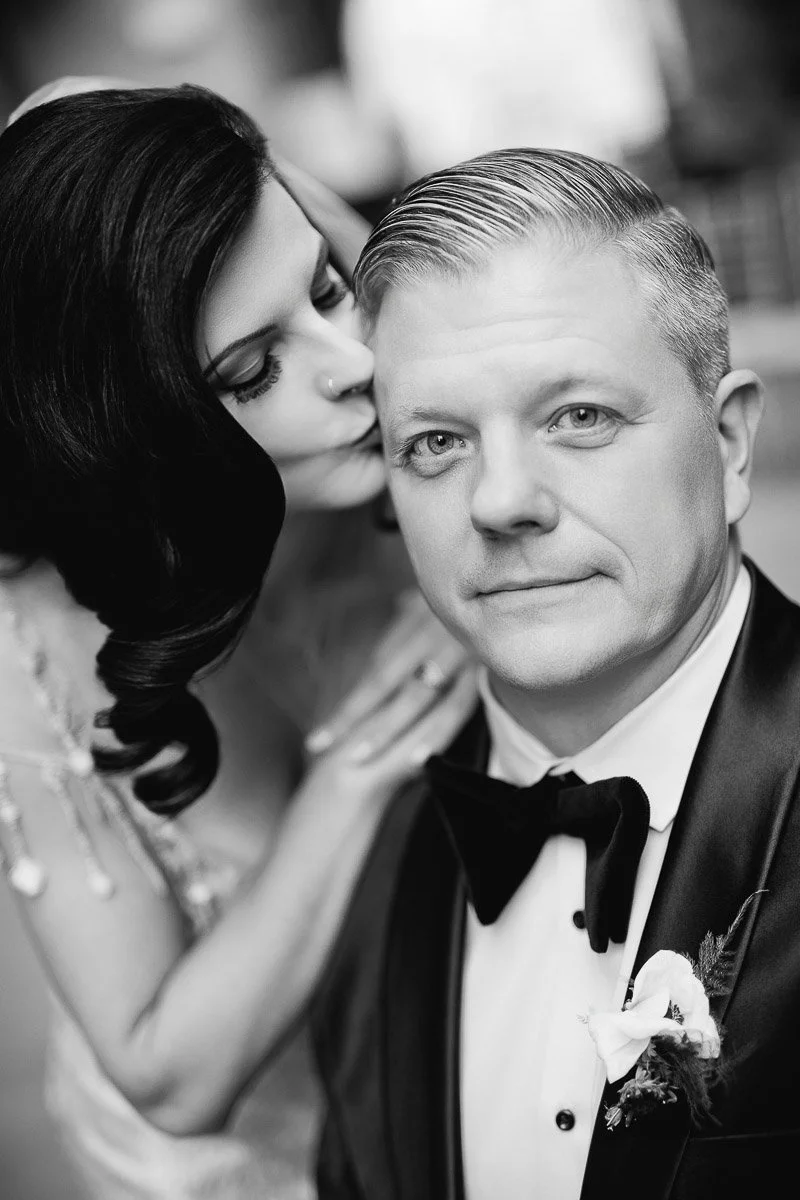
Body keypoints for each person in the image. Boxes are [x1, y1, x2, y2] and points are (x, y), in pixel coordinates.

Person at [0, 84, 476, 1200]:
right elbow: (169, 1077)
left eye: (326, 290)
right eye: (252, 370)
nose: (352, 363)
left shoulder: (387, 443)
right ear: (130, 434)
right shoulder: (28, 656)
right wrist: (354, 779)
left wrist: (248, 163)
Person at [310, 147, 800, 1198]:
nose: (500, 501)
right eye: (435, 442)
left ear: (728, 444)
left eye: (578, 417)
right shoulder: (363, 847)